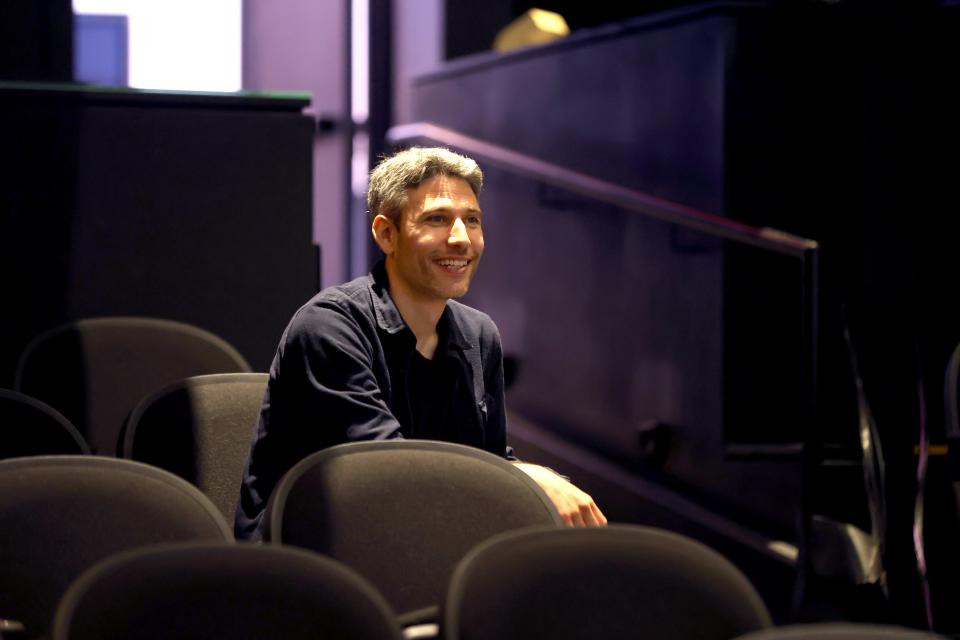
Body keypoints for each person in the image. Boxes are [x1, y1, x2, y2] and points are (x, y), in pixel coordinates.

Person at [235, 146, 605, 539]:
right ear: (387, 234)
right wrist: (524, 477)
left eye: (473, 220)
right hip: (315, 556)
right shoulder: (329, 326)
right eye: (438, 219)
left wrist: (522, 481)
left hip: (423, 536)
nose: (462, 239)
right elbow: (391, 472)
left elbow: (491, 460)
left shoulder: (479, 335)